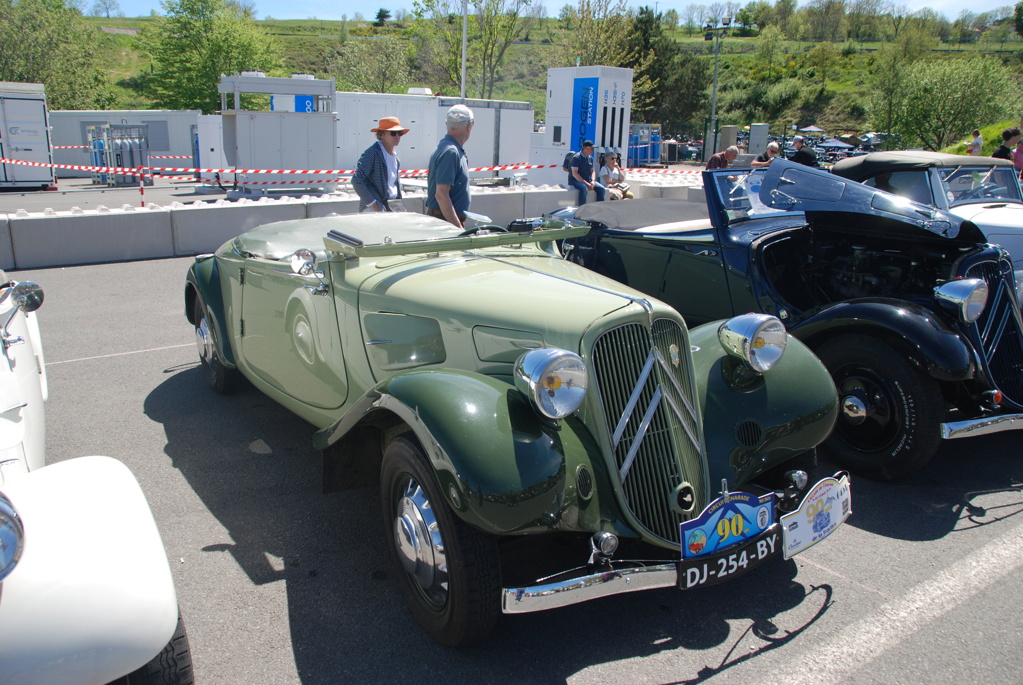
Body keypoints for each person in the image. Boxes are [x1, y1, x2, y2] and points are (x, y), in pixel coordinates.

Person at [426, 104, 474, 228]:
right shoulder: (451, 152)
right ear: (469, 126)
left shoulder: (449, 148)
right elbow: (441, 195)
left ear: (446, 123)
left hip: (444, 220)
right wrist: (458, 229)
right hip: (444, 222)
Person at [351, 116, 408, 212]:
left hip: (391, 206)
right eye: (393, 133)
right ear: (381, 134)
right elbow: (357, 180)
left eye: (400, 133)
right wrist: (374, 205)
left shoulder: (395, 158)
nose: (397, 137)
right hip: (374, 209)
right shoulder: (372, 153)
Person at [568, 141, 606, 205]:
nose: (593, 151)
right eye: (592, 149)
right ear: (586, 148)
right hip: (575, 180)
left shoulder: (590, 158)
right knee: (583, 188)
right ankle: (582, 208)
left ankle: (600, 207)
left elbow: (592, 170)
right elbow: (575, 173)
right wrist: (586, 184)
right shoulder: (577, 157)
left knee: (601, 189)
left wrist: (593, 181)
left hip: (587, 179)